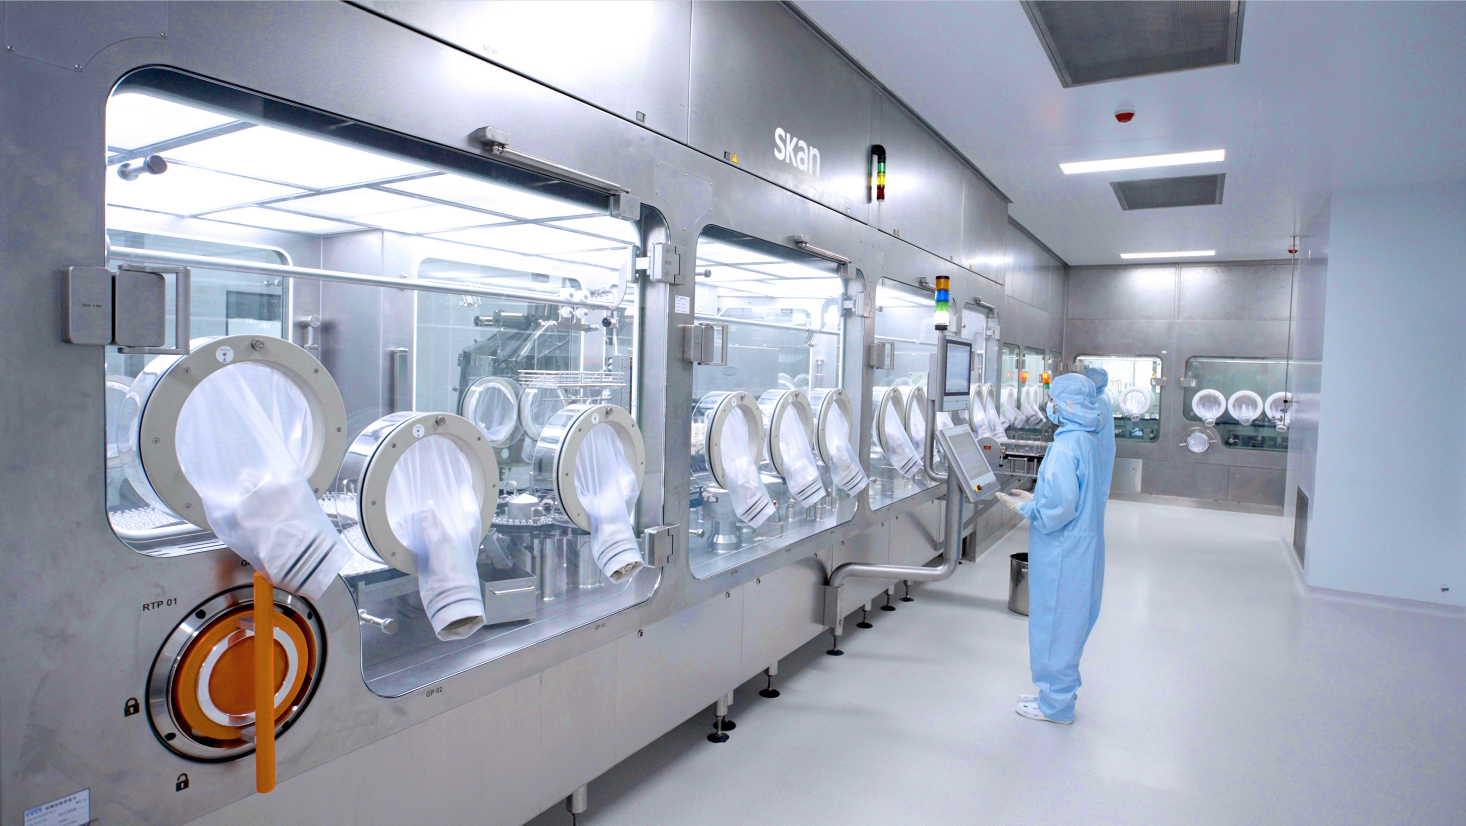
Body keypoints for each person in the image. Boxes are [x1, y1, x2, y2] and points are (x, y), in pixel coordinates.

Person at [994, 373, 1106, 724]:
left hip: (1063, 550)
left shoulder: (1064, 447)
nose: (1050, 406)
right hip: (1082, 546)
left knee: (1056, 623)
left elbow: (1059, 508)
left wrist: (1029, 509)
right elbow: (1072, 494)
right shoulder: (1085, 439)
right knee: (1069, 624)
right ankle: (1054, 694)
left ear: (1067, 404)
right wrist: (1037, 498)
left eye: (1054, 400)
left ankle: (1055, 705)